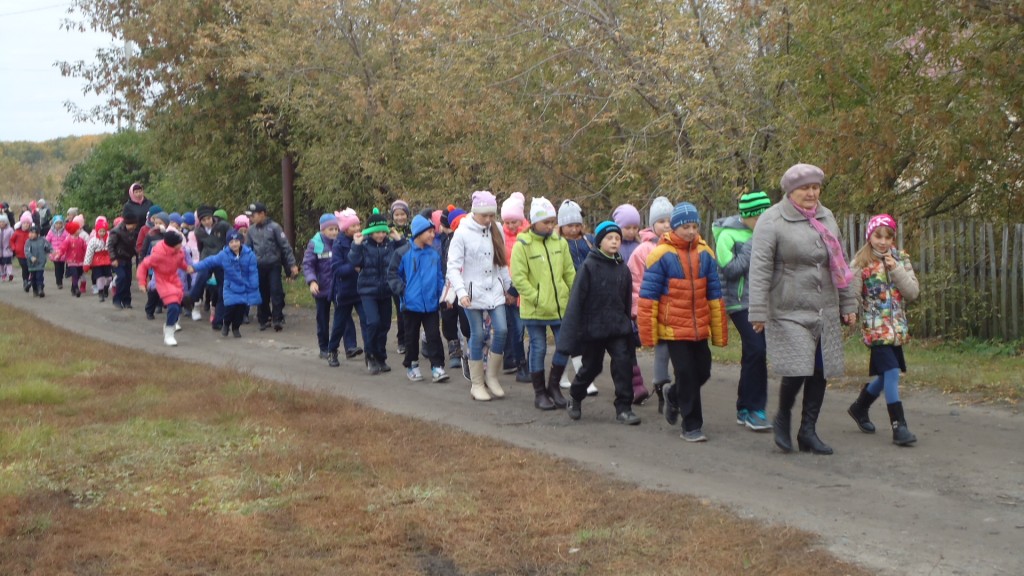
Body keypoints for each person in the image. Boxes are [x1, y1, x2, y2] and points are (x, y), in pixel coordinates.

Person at [748, 163, 858, 455]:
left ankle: (808, 431)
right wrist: (757, 311)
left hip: (824, 307)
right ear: (790, 191)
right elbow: (759, 268)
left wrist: (848, 303)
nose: (811, 193)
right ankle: (783, 416)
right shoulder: (772, 220)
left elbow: (840, 262)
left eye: (815, 187)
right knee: (797, 368)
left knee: (820, 370)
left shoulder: (826, 217)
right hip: (788, 307)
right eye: (805, 188)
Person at [638, 202, 728, 442]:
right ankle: (691, 425)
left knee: (703, 371)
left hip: (699, 327)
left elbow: (715, 294)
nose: (691, 231)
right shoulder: (661, 255)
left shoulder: (706, 253)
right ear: (674, 227)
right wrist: (648, 333)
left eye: (694, 226)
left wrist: (719, 331)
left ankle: (674, 395)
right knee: (686, 373)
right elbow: (648, 297)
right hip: (674, 329)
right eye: (685, 226)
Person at [559, 221, 641, 425]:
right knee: (592, 367)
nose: (614, 242)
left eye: (617, 238)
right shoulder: (588, 266)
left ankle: (624, 408)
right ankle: (575, 396)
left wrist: (629, 328)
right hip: (593, 328)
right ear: (599, 242)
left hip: (618, 328)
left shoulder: (623, 268)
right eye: (609, 238)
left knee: (623, 364)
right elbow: (576, 301)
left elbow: (626, 301)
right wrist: (570, 336)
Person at [848, 214, 920, 446]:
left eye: (888, 237)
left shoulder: (901, 259)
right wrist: (850, 313)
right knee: (892, 372)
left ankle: (860, 407)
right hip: (876, 329)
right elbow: (851, 294)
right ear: (869, 236)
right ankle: (899, 426)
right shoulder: (860, 263)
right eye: (878, 236)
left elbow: (912, 293)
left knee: (886, 374)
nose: (882, 242)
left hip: (896, 328)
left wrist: (896, 269)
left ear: (893, 239)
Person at [711, 191, 774, 432]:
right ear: (746, 216)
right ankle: (756, 410)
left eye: (765, 217)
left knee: (753, 353)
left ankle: (744, 407)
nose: (762, 223)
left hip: (764, 302)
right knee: (757, 350)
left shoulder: (770, 233)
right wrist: (753, 244)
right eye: (757, 218)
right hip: (739, 303)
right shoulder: (727, 235)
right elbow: (730, 270)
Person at [446, 190, 513, 401]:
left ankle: (491, 376)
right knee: (477, 334)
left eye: (492, 215)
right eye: (484, 215)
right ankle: (477, 383)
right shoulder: (462, 233)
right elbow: (453, 267)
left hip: (494, 290)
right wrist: (461, 292)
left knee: (501, 330)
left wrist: (509, 287)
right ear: (474, 212)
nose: (488, 219)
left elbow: (501, 262)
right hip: (471, 293)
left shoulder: (497, 229)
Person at [511, 196, 574, 410]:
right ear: (534, 221)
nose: (550, 226)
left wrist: (572, 295)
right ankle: (539, 393)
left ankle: (554, 387)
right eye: (546, 222)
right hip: (535, 308)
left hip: (560, 307)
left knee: (564, 346)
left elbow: (569, 272)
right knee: (538, 347)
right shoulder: (523, 245)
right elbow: (519, 278)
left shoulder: (560, 243)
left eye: (552, 222)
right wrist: (537, 298)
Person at [389, 214, 450, 383]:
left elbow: (439, 277)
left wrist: (442, 297)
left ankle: (437, 367)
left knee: (434, 335)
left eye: (433, 231)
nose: (432, 235)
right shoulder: (403, 252)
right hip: (411, 305)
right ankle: (412, 365)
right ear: (418, 233)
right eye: (429, 232)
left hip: (431, 304)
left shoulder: (434, 254)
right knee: (411, 337)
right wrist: (402, 290)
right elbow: (393, 274)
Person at [628, 197, 675, 413]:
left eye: (669, 221)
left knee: (681, 353)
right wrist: (638, 311)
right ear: (652, 224)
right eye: (661, 221)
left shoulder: (678, 248)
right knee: (662, 351)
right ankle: (661, 389)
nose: (666, 225)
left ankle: (678, 392)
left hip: (677, 310)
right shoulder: (643, 251)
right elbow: (635, 283)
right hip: (655, 310)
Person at [349, 208, 401, 374]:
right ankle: (370, 355)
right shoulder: (364, 246)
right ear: (370, 232)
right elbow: (354, 261)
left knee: (384, 325)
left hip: (386, 291)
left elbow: (404, 256)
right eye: (377, 232)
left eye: (383, 232)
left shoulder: (390, 245)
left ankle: (381, 357)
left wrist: (399, 240)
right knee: (373, 322)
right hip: (368, 291)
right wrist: (356, 245)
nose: (381, 235)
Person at [557, 199, 598, 395]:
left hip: (590, 294)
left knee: (585, 338)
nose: (574, 229)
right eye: (569, 225)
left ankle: (572, 375)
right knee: (572, 337)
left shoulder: (589, 240)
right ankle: (580, 378)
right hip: (569, 295)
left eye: (577, 225)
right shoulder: (559, 244)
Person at [189, 230, 261, 339]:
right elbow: (209, 261)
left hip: (244, 287)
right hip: (230, 286)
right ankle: (226, 325)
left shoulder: (249, 255)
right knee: (230, 308)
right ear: (228, 244)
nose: (234, 244)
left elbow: (253, 271)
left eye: (236, 241)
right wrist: (194, 267)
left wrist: (253, 285)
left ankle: (236, 328)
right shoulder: (224, 255)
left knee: (240, 310)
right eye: (231, 242)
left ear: (241, 241)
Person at [612, 202, 648, 404]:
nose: (632, 231)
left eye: (635, 227)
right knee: (623, 348)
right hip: (618, 305)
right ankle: (634, 385)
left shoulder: (640, 248)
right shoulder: (613, 248)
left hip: (635, 303)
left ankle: (634, 386)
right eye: (627, 227)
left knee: (630, 345)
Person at [246, 202, 299, 332]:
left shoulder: (274, 227)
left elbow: (285, 246)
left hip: (273, 264)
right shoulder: (251, 230)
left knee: (276, 291)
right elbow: (248, 249)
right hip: (258, 266)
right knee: (261, 293)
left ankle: (277, 318)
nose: (251, 218)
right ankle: (264, 318)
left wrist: (292, 264)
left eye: (253, 215)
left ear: (262, 214)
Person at [137, 230, 188, 346]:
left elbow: (180, 262)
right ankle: (169, 334)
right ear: (172, 244)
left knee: (178, 306)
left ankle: (172, 323)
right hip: (162, 281)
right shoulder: (158, 255)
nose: (181, 245)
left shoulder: (179, 252)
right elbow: (143, 266)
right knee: (173, 306)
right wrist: (142, 283)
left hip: (175, 280)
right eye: (179, 243)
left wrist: (187, 268)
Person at [330, 208, 367, 364]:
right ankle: (332, 350)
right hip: (343, 291)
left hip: (361, 289)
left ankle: (370, 354)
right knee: (340, 324)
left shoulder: (362, 241)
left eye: (358, 225)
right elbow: (337, 269)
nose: (357, 228)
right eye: (353, 226)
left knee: (367, 321)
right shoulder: (338, 245)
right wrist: (353, 267)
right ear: (345, 229)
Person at [500, 192, 531, 381]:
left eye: (514, 221)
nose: (511, 225)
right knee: (516, 330)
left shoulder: (529, 235)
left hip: (527, 289)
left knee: (533, 331)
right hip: (509, 291)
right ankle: (520, 364)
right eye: (508, 222)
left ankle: (532, 363)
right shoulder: (500, 236)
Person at [303, 214, 342, 363]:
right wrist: (312, 281)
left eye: (336, 229)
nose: (334, 232)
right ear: (323, 230)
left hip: (338, 287)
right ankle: (323, 347)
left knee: (342, 317)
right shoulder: (315, 244)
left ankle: (344, 346)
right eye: (330, 229)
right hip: (321, 288)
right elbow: (308, 265)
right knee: (322, 319)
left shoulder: (341, 242)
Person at [438, 206, 471, 371]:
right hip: (449, 284)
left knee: (466, 320)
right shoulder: (446, 240)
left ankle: (471, 350)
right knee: (448, 317)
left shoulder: (469, 238)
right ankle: (454, 350)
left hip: (466, 284)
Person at [389, 199, 413, 354]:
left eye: (402, 214)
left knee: (411, 310)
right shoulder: (387, 230)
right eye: (396, 215)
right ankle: (402, 340)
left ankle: (411, 339)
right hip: (395, 275)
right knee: (400, 309)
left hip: (411, 274)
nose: (399, 217)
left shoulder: (413, 229)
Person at [108, 213, 140, 309]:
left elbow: (135, 245)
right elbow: (110, 246)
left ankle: (127, 301)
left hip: (128, 258)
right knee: (122, 277)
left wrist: (138, 254)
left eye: (135, 226)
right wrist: (113, 258)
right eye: (132, 225)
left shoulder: (134, 232)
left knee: (128, 280)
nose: (133, 228)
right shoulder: (116, 232)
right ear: (127, 223)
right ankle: (117, 299)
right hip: (118, 258)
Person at [83, 217, 113, 301]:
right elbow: (89, 253)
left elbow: (113, 249)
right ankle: (100, 292)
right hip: (97, 261)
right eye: (100, 231)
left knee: (109, 278)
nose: (102, 233)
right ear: (97, 231)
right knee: (100, 277)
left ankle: (106, 287)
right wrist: (87, 264)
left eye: (104, 231)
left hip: (107, 261)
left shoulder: (110, 239)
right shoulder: (93, 241)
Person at [24, 225, 52, 297]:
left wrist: (52, 251)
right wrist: (31, 257)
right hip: (32, 264)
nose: (31, 234)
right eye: (30, 233)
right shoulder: (28, 242)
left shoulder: (42, 240)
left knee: (39, 276)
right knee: (33, 277)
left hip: (40, 262)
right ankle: (34, 289)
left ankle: (40, 289)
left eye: (33, 233)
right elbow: (26, 251)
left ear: (38, 234)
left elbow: (48, 247)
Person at [62, 220, 87, 297]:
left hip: (80, 260)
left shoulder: (81, 240)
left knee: (78, 274)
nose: (79, 230)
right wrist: (59, 254)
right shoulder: (68, 240)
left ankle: (73, 288)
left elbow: (85, 248)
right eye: (78, 229)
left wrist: (87, 255)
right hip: (71, 261)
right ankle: (76, 288)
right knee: (75, 274)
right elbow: (63, 248)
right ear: (73, 230)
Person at [45, 216, 68, 289]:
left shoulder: (65, 232)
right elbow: (47, 241)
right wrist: (48, 249)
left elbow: (67, 240)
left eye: (60, 223)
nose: (58, 225)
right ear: (54, 224)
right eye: (57, 223)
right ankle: (59, 282)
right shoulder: (51, 232)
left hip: (62, 253)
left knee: (62, 268)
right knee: (57, 267)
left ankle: (60, 278)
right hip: (54, 253)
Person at [10, 213, 31, 289]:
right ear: (21, 224)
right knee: (24, 267)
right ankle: (25, 281)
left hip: (29, 254)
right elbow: (11, 241)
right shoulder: (17, 232)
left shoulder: (31, 233)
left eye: (27, 223)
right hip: (19, 254)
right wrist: (14, 248)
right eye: (24, 223)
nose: (26, 225)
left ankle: (28, 281)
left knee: (29, 268)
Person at [0, 213, 13, 282]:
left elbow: (13, 238)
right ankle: (3, 274)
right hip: (0, 251)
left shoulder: (10, 230)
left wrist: (11, 246)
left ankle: (10, 274)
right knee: (1, 264)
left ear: (6, 222)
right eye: (0, 222)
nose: (1, 223)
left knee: (8, 262)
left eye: (3, 222)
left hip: (7, 249)